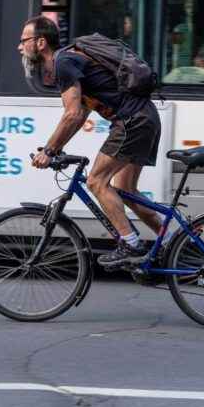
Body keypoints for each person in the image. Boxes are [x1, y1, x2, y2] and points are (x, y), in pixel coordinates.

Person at [19, 16, 163, 267]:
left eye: (24, 40)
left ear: (40, 43)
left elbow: (72, 114)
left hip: (132, 121)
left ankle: (131, 243)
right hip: (145, 117)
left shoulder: (63, 62)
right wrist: (57, 148)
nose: (19, 46)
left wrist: (50, 151)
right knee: (126, 191)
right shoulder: (70, 59)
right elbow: (82, 112)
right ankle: (174, 242)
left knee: (97, 181)